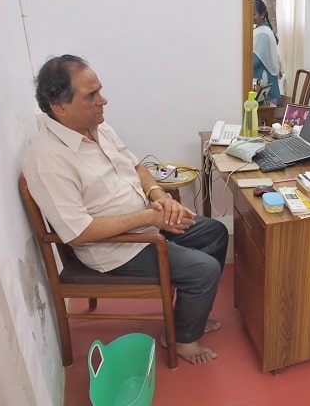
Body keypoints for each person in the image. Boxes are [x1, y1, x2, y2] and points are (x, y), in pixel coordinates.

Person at [23, 55, 228, 365]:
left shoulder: (97, 127)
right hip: (116, 249)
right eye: (91, 96)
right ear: (59, 106)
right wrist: (149, 216)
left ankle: (187, 316)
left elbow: (135, 165)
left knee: (214, 232)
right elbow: (78, 233)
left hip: (146, 224)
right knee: (204, 270)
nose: (102, 101)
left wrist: (159, 196)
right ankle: (184, 338)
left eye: (99, 91)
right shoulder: (48, 159)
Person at [253, 0, 281, 105]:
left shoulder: (262, 34)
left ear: (262, 14)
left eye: (254, 14)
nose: (251, 17)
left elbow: (254, 62)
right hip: (266, 89)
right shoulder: (261, 30)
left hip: (267, 95)